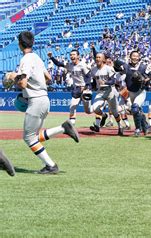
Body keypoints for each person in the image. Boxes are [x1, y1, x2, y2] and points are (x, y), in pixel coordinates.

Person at [7, 31, 80, 174]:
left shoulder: (26, 59)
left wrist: (13, 76)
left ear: (20, 44)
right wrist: (35, 86)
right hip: (44, 99)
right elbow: (48, 78)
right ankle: (63, 128)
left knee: (29, 138)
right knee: (33, 136)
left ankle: (51, 165)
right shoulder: (37, 58)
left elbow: (22, 83)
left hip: (36, 101)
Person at [48, 50, 91, 125]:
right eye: (71, 55)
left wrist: (86, 86)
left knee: (88, 111)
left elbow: (88, 76)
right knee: (72, 106)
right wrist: (51, 57)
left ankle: (102, 114)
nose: (72, 56)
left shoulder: (83, 65)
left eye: (74, 54)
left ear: (78, 56)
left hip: (85, 89)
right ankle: (72, 125)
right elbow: (58, 63)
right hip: (77, 89)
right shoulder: (69, 65)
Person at [88, 53, 123, 135]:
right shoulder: (93, 70)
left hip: (110, 91)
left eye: (99, 57)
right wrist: (88, 87)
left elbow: (113, 81)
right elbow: (93, 83)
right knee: (95, 108)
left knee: (114, 111)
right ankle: (104, 116)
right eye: (96, 57)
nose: (97, 58)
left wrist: (105, 82)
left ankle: (120, 127)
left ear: (103, 59)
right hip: (100, 91)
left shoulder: (108, 68)